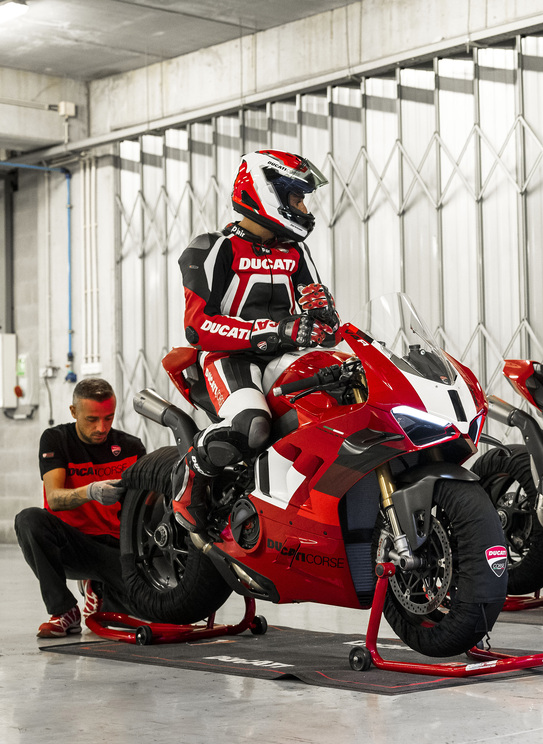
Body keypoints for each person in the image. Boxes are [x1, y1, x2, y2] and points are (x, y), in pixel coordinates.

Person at [172, 150, 339, 533]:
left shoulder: (295, 250)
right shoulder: (214, 247)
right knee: (253, 427)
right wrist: (272, 331)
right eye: (296, 197)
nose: (303, 207)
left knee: (334, 405)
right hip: (228, 358)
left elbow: (318, 319)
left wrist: (325, 319)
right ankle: (189, 484)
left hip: (285, 356)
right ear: (267, 193)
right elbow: (197, 327)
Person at [15, 378, 146, 637]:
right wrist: (90, 491)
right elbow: (54, 497)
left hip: (121, 550)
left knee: (145, 614)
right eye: (92, 419)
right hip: (75, 545)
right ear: (74, 412)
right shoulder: (56, 440)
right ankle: (64, 611)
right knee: (29, 520)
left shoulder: (131, 447)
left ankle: (98, 589)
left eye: (108, 418)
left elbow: (147, 505)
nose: (102, 427)